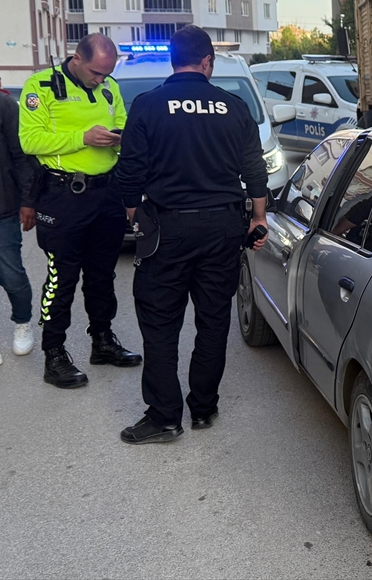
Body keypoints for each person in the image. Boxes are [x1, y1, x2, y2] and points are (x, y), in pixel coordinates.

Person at [115, 26, 269, 444]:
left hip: (166, 227)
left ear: (173, 60)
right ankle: (203, 408)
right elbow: (254, 170)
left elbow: (129, 173)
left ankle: (165, 416)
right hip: (222, 227)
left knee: (160, 323)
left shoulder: (147, 106)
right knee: (214, 319)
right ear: (207, 63)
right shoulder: (234, 107)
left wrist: (136, 216)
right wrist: (258, 218)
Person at [19, 34, 141, 388]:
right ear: (76, 57)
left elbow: (123, 123)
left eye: (107, 73)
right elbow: (30, 140)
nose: (101, 79)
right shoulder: (40, 86)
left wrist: (121, 138)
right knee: (62, 277)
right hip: (62, 195)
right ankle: (53, 354)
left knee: (103, 276)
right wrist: (83, 138)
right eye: (96, 72)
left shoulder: (109, 88)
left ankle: (102, 341)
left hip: (105, 194)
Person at [0, 88, 36, 365]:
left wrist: (27, 201)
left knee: (12, 276)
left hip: (2, 208)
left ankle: (22, 322)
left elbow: (22, 157)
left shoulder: (5, 106)